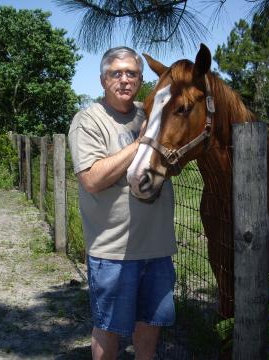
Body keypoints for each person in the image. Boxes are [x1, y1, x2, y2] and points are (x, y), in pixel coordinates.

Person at [68, 46, 177, 360]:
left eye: (132, 73)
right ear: (103, 80)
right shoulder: (89, 120)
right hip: (112, 251)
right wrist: (141, 142)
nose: (125, 80)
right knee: (109, 328)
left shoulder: (152, 114)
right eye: (116, 73)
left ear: (141, 79)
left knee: (150, 325)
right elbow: (92, 179)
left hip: (157, 247)